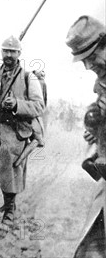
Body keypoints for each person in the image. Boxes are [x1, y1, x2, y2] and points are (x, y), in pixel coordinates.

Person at [0, 36, 45, 226]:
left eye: (12, 52)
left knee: (10, 170)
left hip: (17, 131)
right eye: (5, 51)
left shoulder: (28, 77)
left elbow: (39, 106)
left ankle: (10, 210)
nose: (8, 55)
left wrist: (16, 104)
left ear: (19, 54)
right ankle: (7, 206)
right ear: (1, 52)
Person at [65, 15, 106, 257]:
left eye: (91, 58)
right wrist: (94, 123)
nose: (89, 67)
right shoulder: (101, 81)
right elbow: (98, 109)